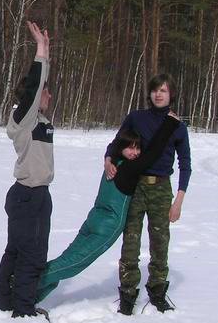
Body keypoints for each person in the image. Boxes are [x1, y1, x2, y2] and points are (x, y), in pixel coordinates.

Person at [36, 112, 181, 306]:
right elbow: (153, 152)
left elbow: (132, 151)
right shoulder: (129, 168)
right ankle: (24, 284)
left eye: (138, 148)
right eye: (130, 147)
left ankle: (31, 297)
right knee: (74, 264)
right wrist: (170, 123)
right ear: (121, 147)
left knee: (67, 260)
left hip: (94, 218)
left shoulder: (112, 163)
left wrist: (108, 156)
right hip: (106, 226)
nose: (135, 152)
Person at [104, 74, 191, 314]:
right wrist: (108, 158)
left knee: (160, 242)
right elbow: (117, 142)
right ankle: (128, 292)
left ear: (171, 94)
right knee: (130, 240)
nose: (159, 94)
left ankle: (157, 290)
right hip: (136, 185)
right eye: (155, 90)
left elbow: (186, 164)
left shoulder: (178, 127)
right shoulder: (136, 118)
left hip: (162, 188)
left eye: (164, 90)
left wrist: (178, 202)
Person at [0, 21, 53, 318]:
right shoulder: (24, 119)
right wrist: (39, 53)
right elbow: (34, 86)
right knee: (32, 254)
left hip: (33, 196)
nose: (49, 96)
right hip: (28, 196)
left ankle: (4, 302)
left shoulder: (38, 122)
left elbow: (38, 86)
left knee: (16, 250)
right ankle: (24, 310)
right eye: (46, 92)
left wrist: (47, 55)